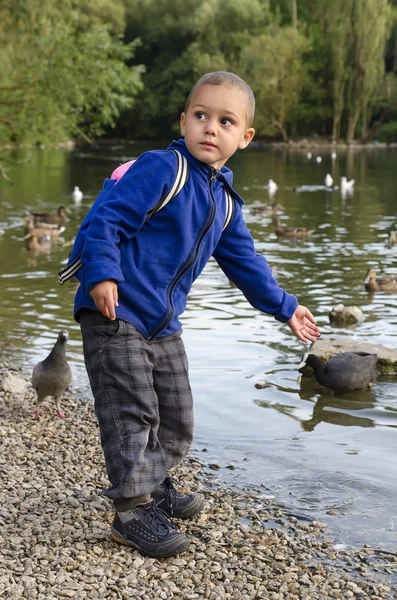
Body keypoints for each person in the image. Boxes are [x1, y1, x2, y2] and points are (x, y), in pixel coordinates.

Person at [74, 71, 320, 559]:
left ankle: (154, 481)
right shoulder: (164, 169)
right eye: (201, 116)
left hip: (163, 322)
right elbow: (106, 218)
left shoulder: (224, 201)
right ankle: (130, 512)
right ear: (184, 120)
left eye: (225, 121)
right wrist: (102, 273)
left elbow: (246, 264)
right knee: (131, 409)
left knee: (176, 413)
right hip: (115, 310)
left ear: (244, 138)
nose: (211, 128)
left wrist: (286, 307)